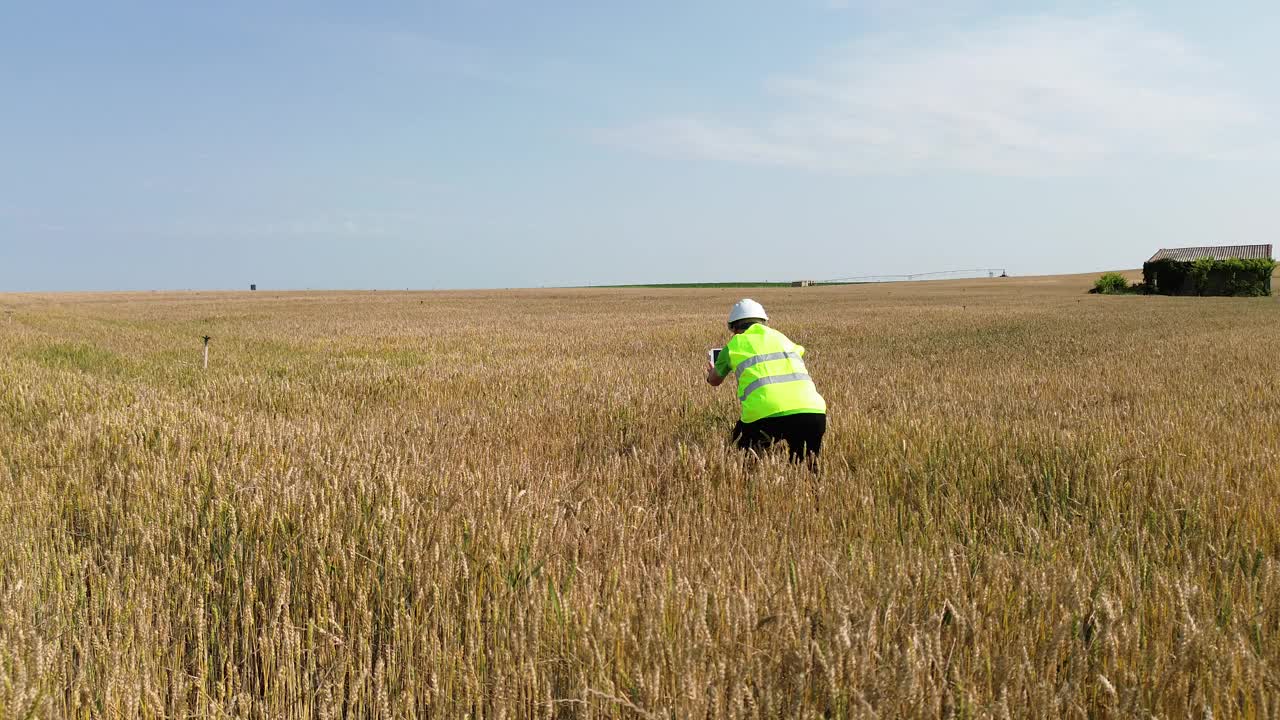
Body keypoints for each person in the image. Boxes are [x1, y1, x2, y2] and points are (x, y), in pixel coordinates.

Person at [705, 298, 827, 466]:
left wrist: (712, 371)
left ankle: (749, 486)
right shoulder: (783, 338)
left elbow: (714, 381)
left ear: (734, 328)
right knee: (807, 471)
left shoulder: (735, 344)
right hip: (813, 412)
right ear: (765, 322)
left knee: (741, 460)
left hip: (764, 415)